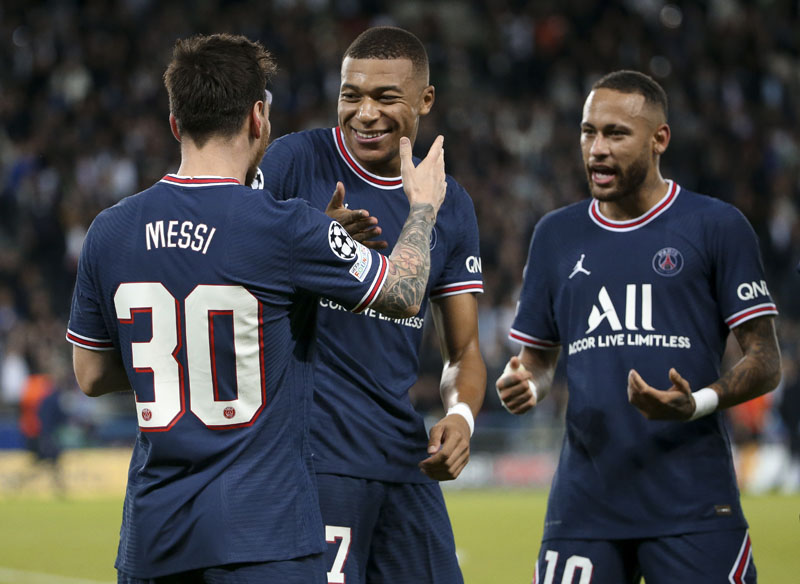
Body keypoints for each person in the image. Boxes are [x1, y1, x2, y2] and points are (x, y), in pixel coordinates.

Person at [66, 32, 448, 584]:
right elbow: (405, 290)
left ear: (175, 123)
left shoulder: (109, 231)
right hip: (262, 538)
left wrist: (197, 361)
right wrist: (423, 211)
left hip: (153, 537)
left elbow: (92, 373)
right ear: (259, 118)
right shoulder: (286, 227)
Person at [496, 70, 781, 583]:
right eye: (588, 132)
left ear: (659, 140)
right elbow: (538, 362)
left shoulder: (716, 226)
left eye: (615, 133)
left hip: (693, 506)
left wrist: (698, 402)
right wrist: (527, 384)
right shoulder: (555, 236)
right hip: (584, 506)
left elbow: (765, 360)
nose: (597, 149)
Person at [257, 26, 485, 584]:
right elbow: (237, 275)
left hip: (406, 459)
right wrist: (314, 241)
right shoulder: (293, 163)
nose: (364, 113)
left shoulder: (449, 204)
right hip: (314, 457)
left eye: (385, 98)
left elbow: (465, 352)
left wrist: (460, 417)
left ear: (424, 101)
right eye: (351, 95)